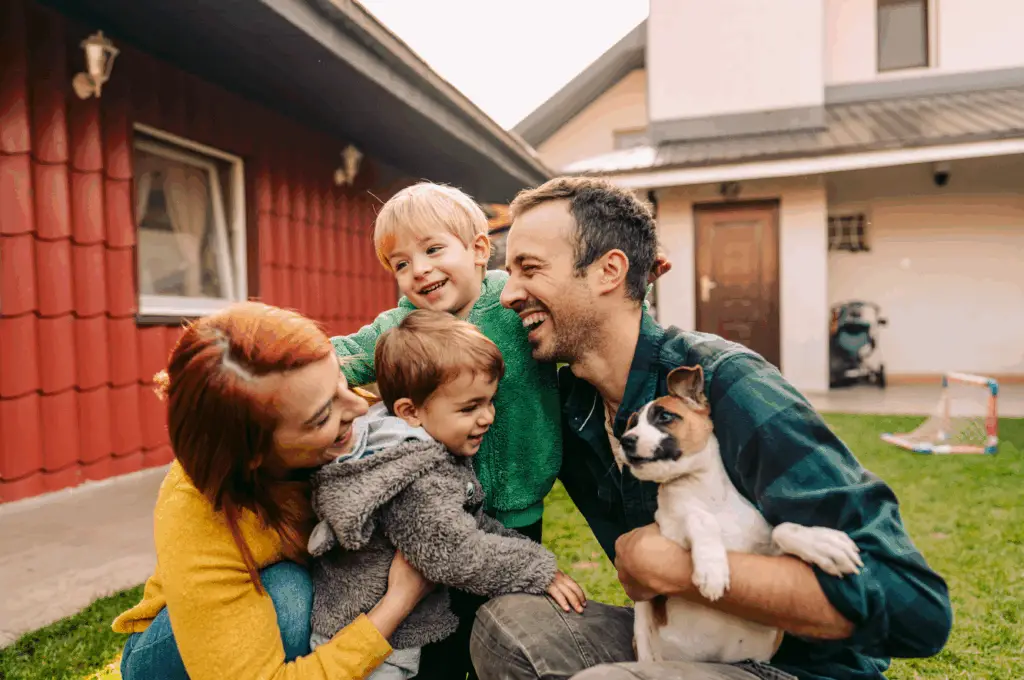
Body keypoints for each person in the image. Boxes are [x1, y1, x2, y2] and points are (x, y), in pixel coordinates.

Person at [469, 177, 954, 680]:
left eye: (528, 269)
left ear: (609, 271)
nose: (508, 294)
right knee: (509, 626)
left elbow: (915, 611)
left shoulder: (729, 384)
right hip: (693, 646)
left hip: (797, 668)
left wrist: (680, 570)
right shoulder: (570, 404)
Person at [112, 302, 434, 680]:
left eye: (341, 382)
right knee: (292, 596)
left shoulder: (314, 404)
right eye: (321, 416)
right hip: (175, 659)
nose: (358, 408)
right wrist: (400, 601)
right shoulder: (199, 516)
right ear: (254, 455)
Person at [307, 310, 585, 680]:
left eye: (489, 401)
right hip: (374, 649)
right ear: (411, 411)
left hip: (373, 628)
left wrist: (528, 552)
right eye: (470, 407)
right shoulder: (415, 477)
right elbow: (457, 551)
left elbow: (470, 522)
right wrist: (538, 570)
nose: (487, 417)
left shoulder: (410, 445)